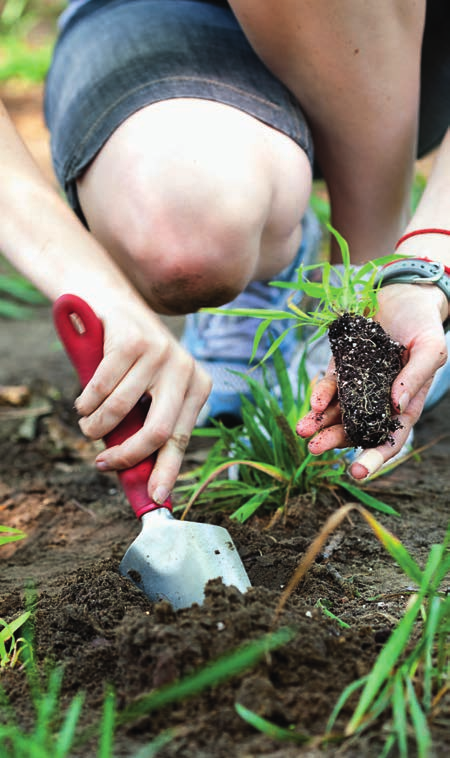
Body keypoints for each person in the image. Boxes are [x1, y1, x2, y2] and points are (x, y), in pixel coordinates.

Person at [1, 0, 449, 502]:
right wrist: (105, 294)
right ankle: (261, 271)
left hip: (404, 59)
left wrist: (420, 268)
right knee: (180, 242)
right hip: (163, 20)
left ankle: (369, 272)